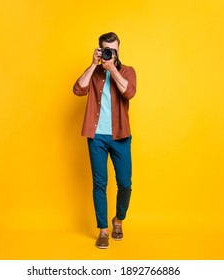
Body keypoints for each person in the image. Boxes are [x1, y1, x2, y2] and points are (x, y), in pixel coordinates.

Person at [73, 32, 137, 249]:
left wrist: (112, 69)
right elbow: (78, 89)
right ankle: (103, 230)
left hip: (120, 135)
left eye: (114, 50)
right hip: (96, 136)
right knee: (100, 183)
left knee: (125, 184)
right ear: (100, 50)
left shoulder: (127, 71)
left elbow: (128, 92)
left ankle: (118, 220)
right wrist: (93, 65)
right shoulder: (95, 72)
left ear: (119, 49)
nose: (111, 54)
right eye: (106, 50)